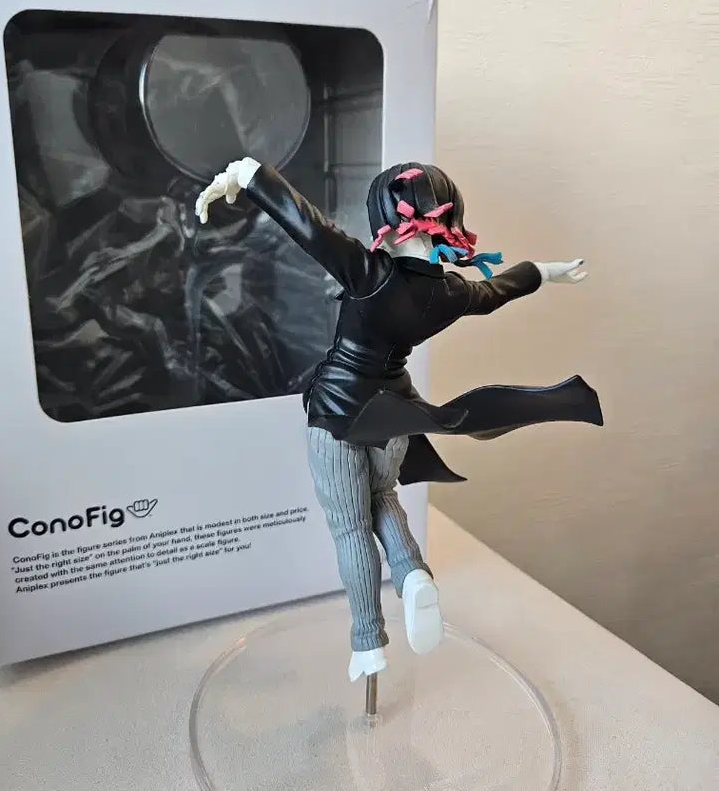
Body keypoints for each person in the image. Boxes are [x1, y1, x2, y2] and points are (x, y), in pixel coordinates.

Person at [197, 158, 602, 682]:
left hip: (339, 414)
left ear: (386, 221)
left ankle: (367, 641)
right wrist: (545, 271)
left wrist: (248, 173)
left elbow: (308, 226)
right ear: (449, 221)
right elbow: (495, 291)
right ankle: (413, 575)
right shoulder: (450, 292)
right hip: (394, 416)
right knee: (383, 498)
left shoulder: (369, 274)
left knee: (350, 527)